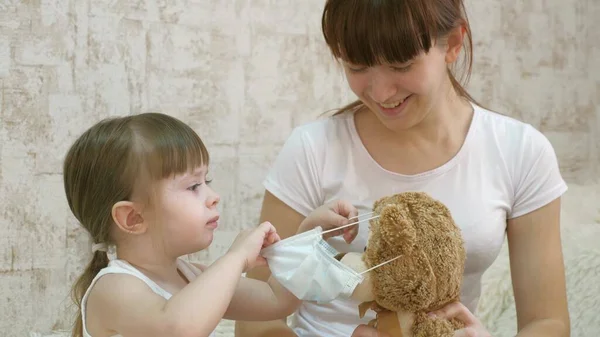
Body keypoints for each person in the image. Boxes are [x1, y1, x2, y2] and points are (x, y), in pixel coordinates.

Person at [235, 0, 570, 336]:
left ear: (453, 44)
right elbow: (255, 319)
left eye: (401, 64)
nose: (381, 92)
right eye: (357, 66)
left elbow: (547, 322)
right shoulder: (312, 148)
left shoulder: (521, 151)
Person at [64, 113, 358, 337]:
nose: (213, 197)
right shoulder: (114, 288)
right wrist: (235, 258)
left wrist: (306, 237)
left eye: (207, 182)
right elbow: (179, 329)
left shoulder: (190, 276)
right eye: (193, 186)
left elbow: (276, 300)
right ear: (134, 218)